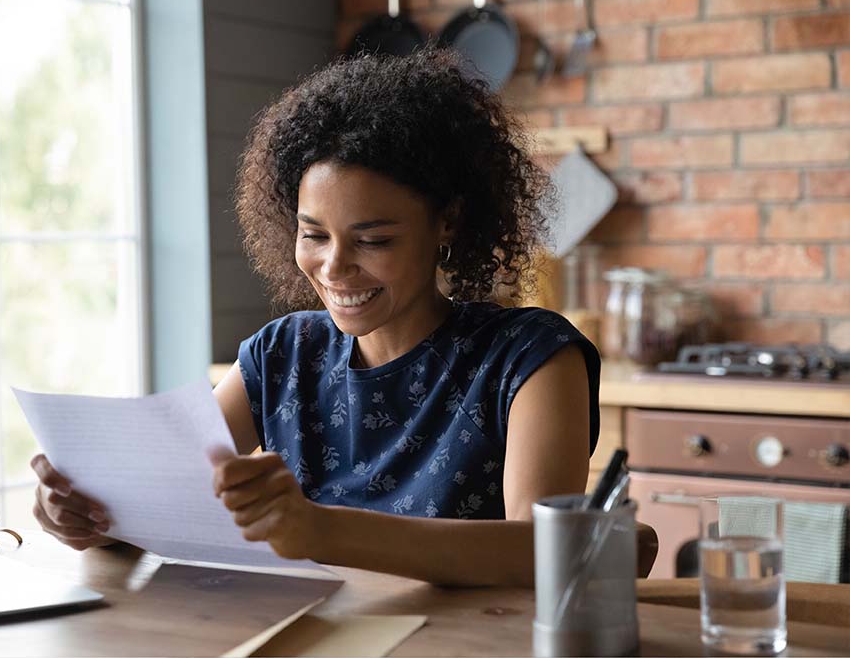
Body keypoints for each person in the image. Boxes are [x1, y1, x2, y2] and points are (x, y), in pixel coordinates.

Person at [30, 47, 601, 587]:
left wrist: (321, 530)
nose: (334, 267)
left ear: (446, 223)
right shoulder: (282, 355)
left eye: (372, 239)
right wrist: (87, 517)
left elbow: (542, 552)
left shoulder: (530, 358)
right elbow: (157, 503)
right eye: (313, 235)